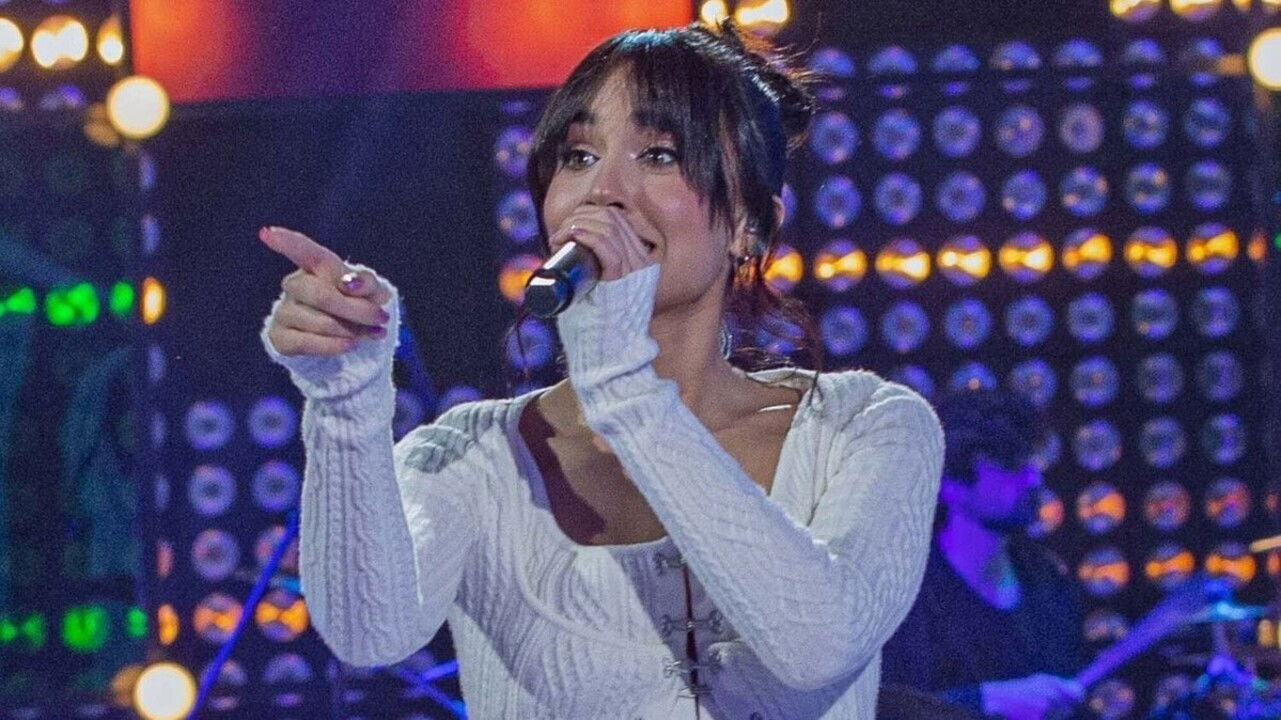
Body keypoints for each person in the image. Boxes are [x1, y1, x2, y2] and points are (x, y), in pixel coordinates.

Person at [258, 20, 943, 719]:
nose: (603, 190)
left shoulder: (863, 428)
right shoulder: (476, 456)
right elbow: (369, 634)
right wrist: (345, 404)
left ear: (750, 225)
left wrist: (622, 382)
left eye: (660, 154)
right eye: (579, 156)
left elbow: (818, 645)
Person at [879, 388, 1086, 720]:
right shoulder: (907, 598)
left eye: (1031, 460)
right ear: (950, 482)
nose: (1034, 478)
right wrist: (985, 701)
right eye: (1009, 464)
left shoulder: (1046, 580)